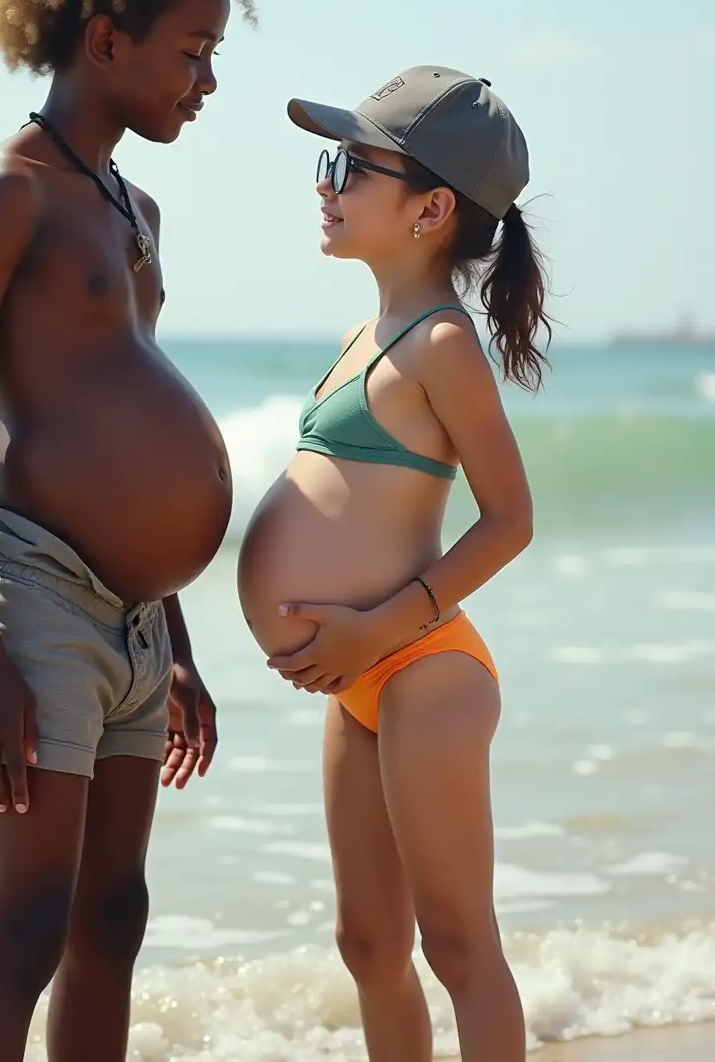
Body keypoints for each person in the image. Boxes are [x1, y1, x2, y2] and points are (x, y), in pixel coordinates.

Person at [0, 0, 278, 1062]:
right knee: (23, 927)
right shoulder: (8, 190)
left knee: (111, 915)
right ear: (106, 40)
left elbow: (128, 412)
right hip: (37, 602)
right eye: (194, 52)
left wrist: (173, 639)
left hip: (128, 619)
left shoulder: (133, 209)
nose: (207, 81)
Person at [238, 66, 550, 1062]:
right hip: (360, 679)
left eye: (349, 166)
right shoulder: (363, 333)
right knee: (367, 939)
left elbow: (509, 518)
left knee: (460, 942)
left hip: (421, 667)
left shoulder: (443, 342)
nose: (324, 184)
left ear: (431, 209)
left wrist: (382, 624)